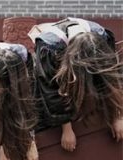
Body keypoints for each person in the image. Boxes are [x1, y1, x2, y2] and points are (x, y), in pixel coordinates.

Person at [31, 18, 123, 150]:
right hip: (58, 50)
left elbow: (112, 78)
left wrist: (118, 115)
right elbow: (51, 90)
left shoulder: (102, 36)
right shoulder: (49, 48)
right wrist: (66, 128)